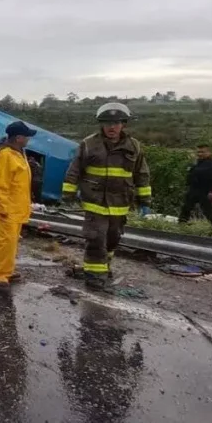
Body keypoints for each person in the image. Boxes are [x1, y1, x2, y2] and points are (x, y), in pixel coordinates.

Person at [62, 103, 152, 291]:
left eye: (117, 122)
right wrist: (68, 193)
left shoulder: (134, 146)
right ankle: (94, 276)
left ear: (123, 124)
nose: (112, 127)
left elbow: (141, 175)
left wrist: (145, 201)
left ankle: (104, 267)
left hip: (120, 204)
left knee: (112, 240)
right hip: (95, 203)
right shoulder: (89, 144)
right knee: (96, 239)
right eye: (108, 122)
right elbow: (75, 170)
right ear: (101, 124)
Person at [0, 121, 36, 290]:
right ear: (18, 138)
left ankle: (6, 270)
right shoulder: (6, 156)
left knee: (11, 241)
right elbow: (0, 184)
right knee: (6, 241)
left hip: (16, 208)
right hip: (8, 209)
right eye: (27, 137)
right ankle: (0, 275)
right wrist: (2, 207)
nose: (28, 140)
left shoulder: (18, 154)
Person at [178, 144, 212, 228]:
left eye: (202, 152)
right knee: (186, 208)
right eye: (198, 152)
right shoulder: (196, 163)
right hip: (193, 190)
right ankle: (181, 225)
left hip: (206, 191)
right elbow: (190, 174)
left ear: (209, 152)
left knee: (208, 211)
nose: (200, 154)